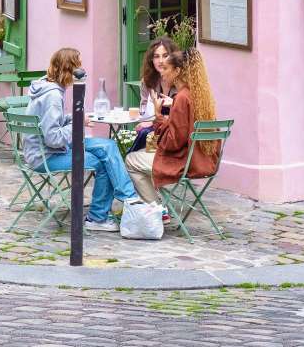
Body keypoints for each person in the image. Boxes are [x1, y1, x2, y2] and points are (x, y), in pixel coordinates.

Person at [24, 48, 141, 232]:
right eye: (78, 67)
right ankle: (99, 217)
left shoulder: (46, 86)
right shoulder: (53, 95)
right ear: (68, 69)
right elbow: (53, 138)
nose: (82, 71)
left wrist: (75, 117)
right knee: (103, 162)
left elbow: (52, 122)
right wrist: (78, 123)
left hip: (51, 149)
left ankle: (129, 196)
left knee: (108, 145)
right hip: (46, 155)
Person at [125, 48, 220, 204]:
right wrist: (161, 117)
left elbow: (173, 142)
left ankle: (156, 209)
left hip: (186, 163)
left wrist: (158, 119)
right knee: (145, 152)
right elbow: (181, 131)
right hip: (205, 161)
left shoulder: (182, 97)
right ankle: (156, 205)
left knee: (131, 159)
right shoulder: (200, 95)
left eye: (166, 68)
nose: (162, 73)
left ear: (177, 71)